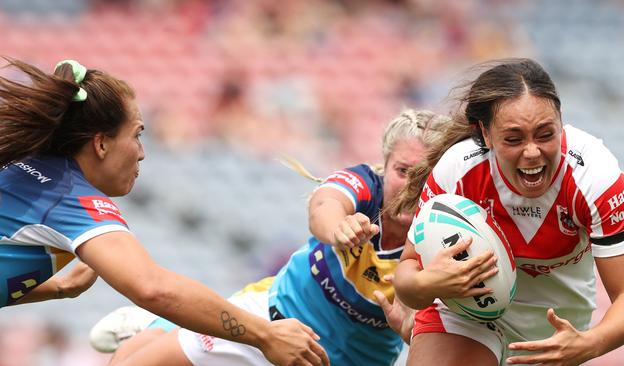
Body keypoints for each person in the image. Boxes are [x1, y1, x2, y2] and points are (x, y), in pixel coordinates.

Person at [87, 108, 490, 365]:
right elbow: (325, 205)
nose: (410, 187)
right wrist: (338, 227)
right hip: (273, 319)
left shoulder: (447, 237)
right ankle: (157, 323)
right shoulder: (364, 188)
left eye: (424, 177)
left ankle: (158, 324)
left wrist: (410, 330)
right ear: (384, 167)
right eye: (403, 171)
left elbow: (427, 332)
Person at [0, 57, 329, 366]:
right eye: (137, 135)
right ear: (101, 144)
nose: (142, 153)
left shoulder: (26, 168)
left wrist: (58, 289)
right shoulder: (68, 196)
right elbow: (152, 287)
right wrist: (265, 334)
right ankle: (152, 329)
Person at [391, 58, 624, 365]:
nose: (531, 152)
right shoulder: (458, 170)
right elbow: (407, 274)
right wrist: (426, 285)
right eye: (513, 139)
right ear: (485, 134)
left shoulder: (595, 178)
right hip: (467, 314)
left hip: (553, 335)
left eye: (545, 135)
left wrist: (589, 343)